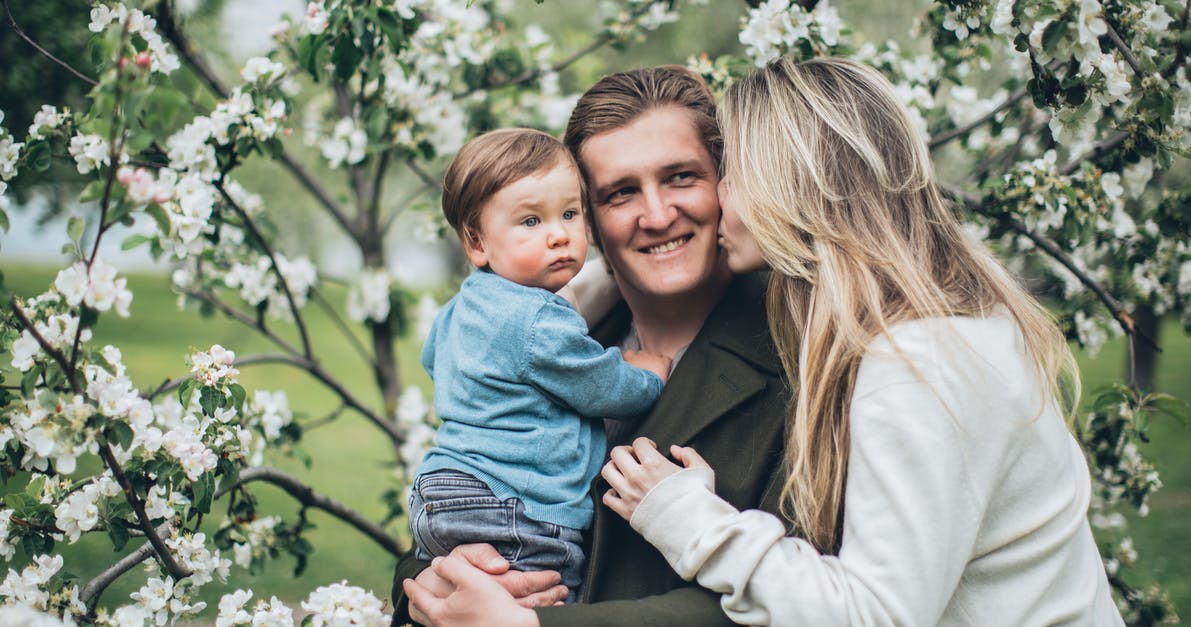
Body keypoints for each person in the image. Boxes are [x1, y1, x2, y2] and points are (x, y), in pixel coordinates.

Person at [601, 57, 1123, 626]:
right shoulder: (935, 331)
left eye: (732, 173)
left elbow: (877, 615)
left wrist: (688, 517)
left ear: (792, 184)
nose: (718, 197)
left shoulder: (919, 364)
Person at [391, 66, 791, 626]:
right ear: (592, 219)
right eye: (621, 192)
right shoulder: (560, 332)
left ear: (725, 187)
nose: (656, 216)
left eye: (681, 177)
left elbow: (800, 601)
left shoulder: (800, 356)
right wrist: (434, 584)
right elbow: (471, 496)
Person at [409, 128, 671, 603]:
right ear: (477, 242)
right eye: (530, 221)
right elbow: (600, 386)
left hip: (441, 493)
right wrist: (647, 374)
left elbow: (435, 360)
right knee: (547, 597)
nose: (559, 235)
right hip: (513, 506)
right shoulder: (537, 317)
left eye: (570, 214)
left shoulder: (460, 307)